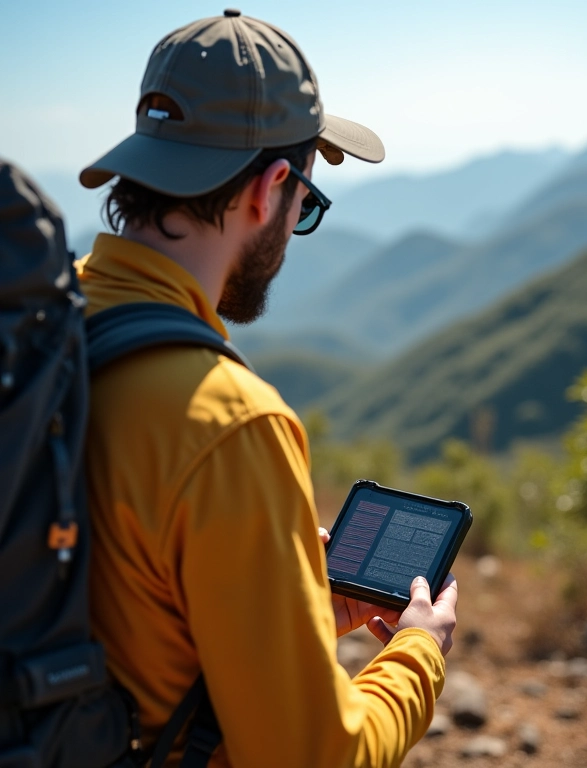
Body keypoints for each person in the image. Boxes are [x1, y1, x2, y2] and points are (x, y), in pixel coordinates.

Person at [76, 10, 458, 768]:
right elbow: (311, 755)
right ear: (272, 187)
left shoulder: (42, 325)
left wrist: (291, 603)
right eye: (305, 205)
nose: (295, 224)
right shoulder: (230, 424)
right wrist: (419, 653)